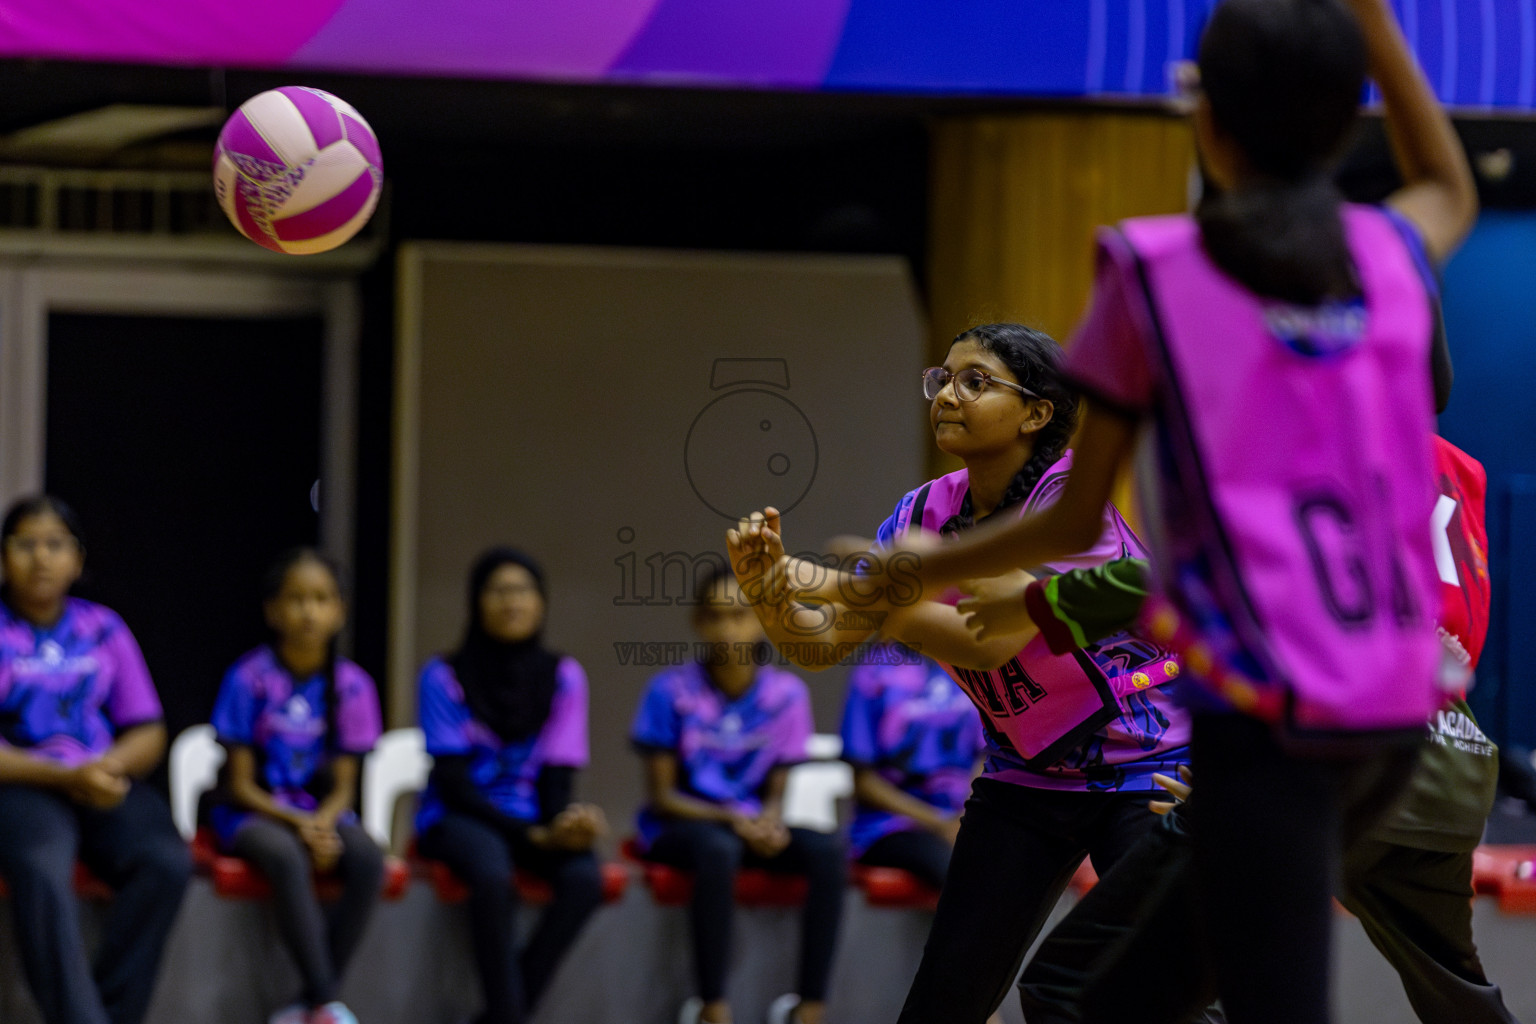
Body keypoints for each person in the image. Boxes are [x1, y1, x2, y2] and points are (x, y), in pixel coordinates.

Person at [855, 3, 1480, 1021]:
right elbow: (1449, 182)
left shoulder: (1153, 270)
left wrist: (914, 568)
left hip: (1265, 713)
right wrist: (1370, 19)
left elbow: (1068, 525)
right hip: (1393, 711)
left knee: (1170, 995)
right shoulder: (1386, 251)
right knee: (1095, 994)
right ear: (1338, 121)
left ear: (1208, 120)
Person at [726, 322, 1192, 1024]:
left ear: (1036, 413)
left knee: (1153, 999)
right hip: (1027, 773)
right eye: (942, 377)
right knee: (944, 1003)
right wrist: (767, 589)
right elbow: (820, 647)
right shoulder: (922, 511)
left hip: (1147, 766)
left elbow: (986, 645)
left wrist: (836, 583)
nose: (947, 393)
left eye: (975, 381)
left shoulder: (1070, 514)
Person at [1016, 435, 1514, 1024]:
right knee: (1456, 999)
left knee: (1075, 985)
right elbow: (1462, 641)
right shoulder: (1462, 466)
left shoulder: (1312, 425)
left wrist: (1047, 606)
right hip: (1450, 757)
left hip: (1318, 751)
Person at [0, 495, 191, 1024]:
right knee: (41, 868)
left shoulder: (103, 627)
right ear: (2, 558)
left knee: (166, 862)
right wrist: (61, 774)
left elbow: (148, 728)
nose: (41, 558)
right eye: (25, 544)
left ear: (77, 560)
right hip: (20, 783)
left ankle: (103, 1015)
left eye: (55, 544)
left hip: (98, 776)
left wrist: (108, 767)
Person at [629, 562, 843, 1024]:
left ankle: (809, 1007)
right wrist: (732, 819)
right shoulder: (668, 691)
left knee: (826, 852)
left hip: (746, 827)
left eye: (741, 615)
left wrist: (769, 821)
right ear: (699, 622)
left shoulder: (787, 693)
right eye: (717, 616)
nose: (730, 629)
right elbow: (663, 797)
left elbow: (775, 793)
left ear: (762, 620)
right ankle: (713, 1006)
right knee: (718, 849)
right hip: (683, 830)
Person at [414, 548, 605, 1024]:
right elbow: (454, 784)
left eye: (523, 591)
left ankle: (501, 1017)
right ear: (476, 602)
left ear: (542, 603)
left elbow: (557, 781)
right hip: (457, 817)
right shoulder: (443, 675)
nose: (511, 602)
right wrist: (532, 837)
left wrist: (565, 826)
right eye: (498, 591)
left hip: (530, 820)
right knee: (493, 872)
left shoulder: (565, 677)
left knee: (584, 879)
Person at [210, 548, 384, 1024]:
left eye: (323, 598)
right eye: (296, 598)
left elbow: (347, 784)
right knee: (285, 855)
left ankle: (309, 1002)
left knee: (368, 856)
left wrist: (323, 823)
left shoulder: (354, 686)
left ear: (340, 610)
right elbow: (240, 784)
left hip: (320, 811)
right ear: (273, 610)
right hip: (254, 813)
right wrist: (300, 826)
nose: (309, 611)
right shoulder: (247, 678)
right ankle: (327, 1002)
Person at [840, 643, 985, 891]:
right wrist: (942, 824)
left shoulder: (972, 660)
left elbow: (987, 755)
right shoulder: (876, 668)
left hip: (965, 820)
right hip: (890, 826)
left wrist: (966, 819)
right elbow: (863, 781)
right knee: (962, 872)